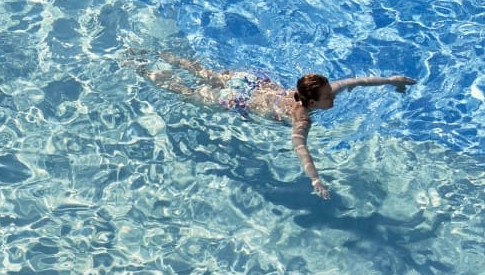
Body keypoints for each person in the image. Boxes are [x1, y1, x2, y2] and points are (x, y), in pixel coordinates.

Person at [130, 51, 416, 199]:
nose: (334, 96)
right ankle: (141, 69)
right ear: (313, 102)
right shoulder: (301, 118)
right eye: (329, 95)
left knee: (205, 73)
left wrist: (393, 80)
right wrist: (315, 179)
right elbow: (300, 147)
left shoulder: (317, 96)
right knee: (187, 92)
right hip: (240, 97)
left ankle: (157, 55)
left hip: (252, 82)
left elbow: (357, 81)